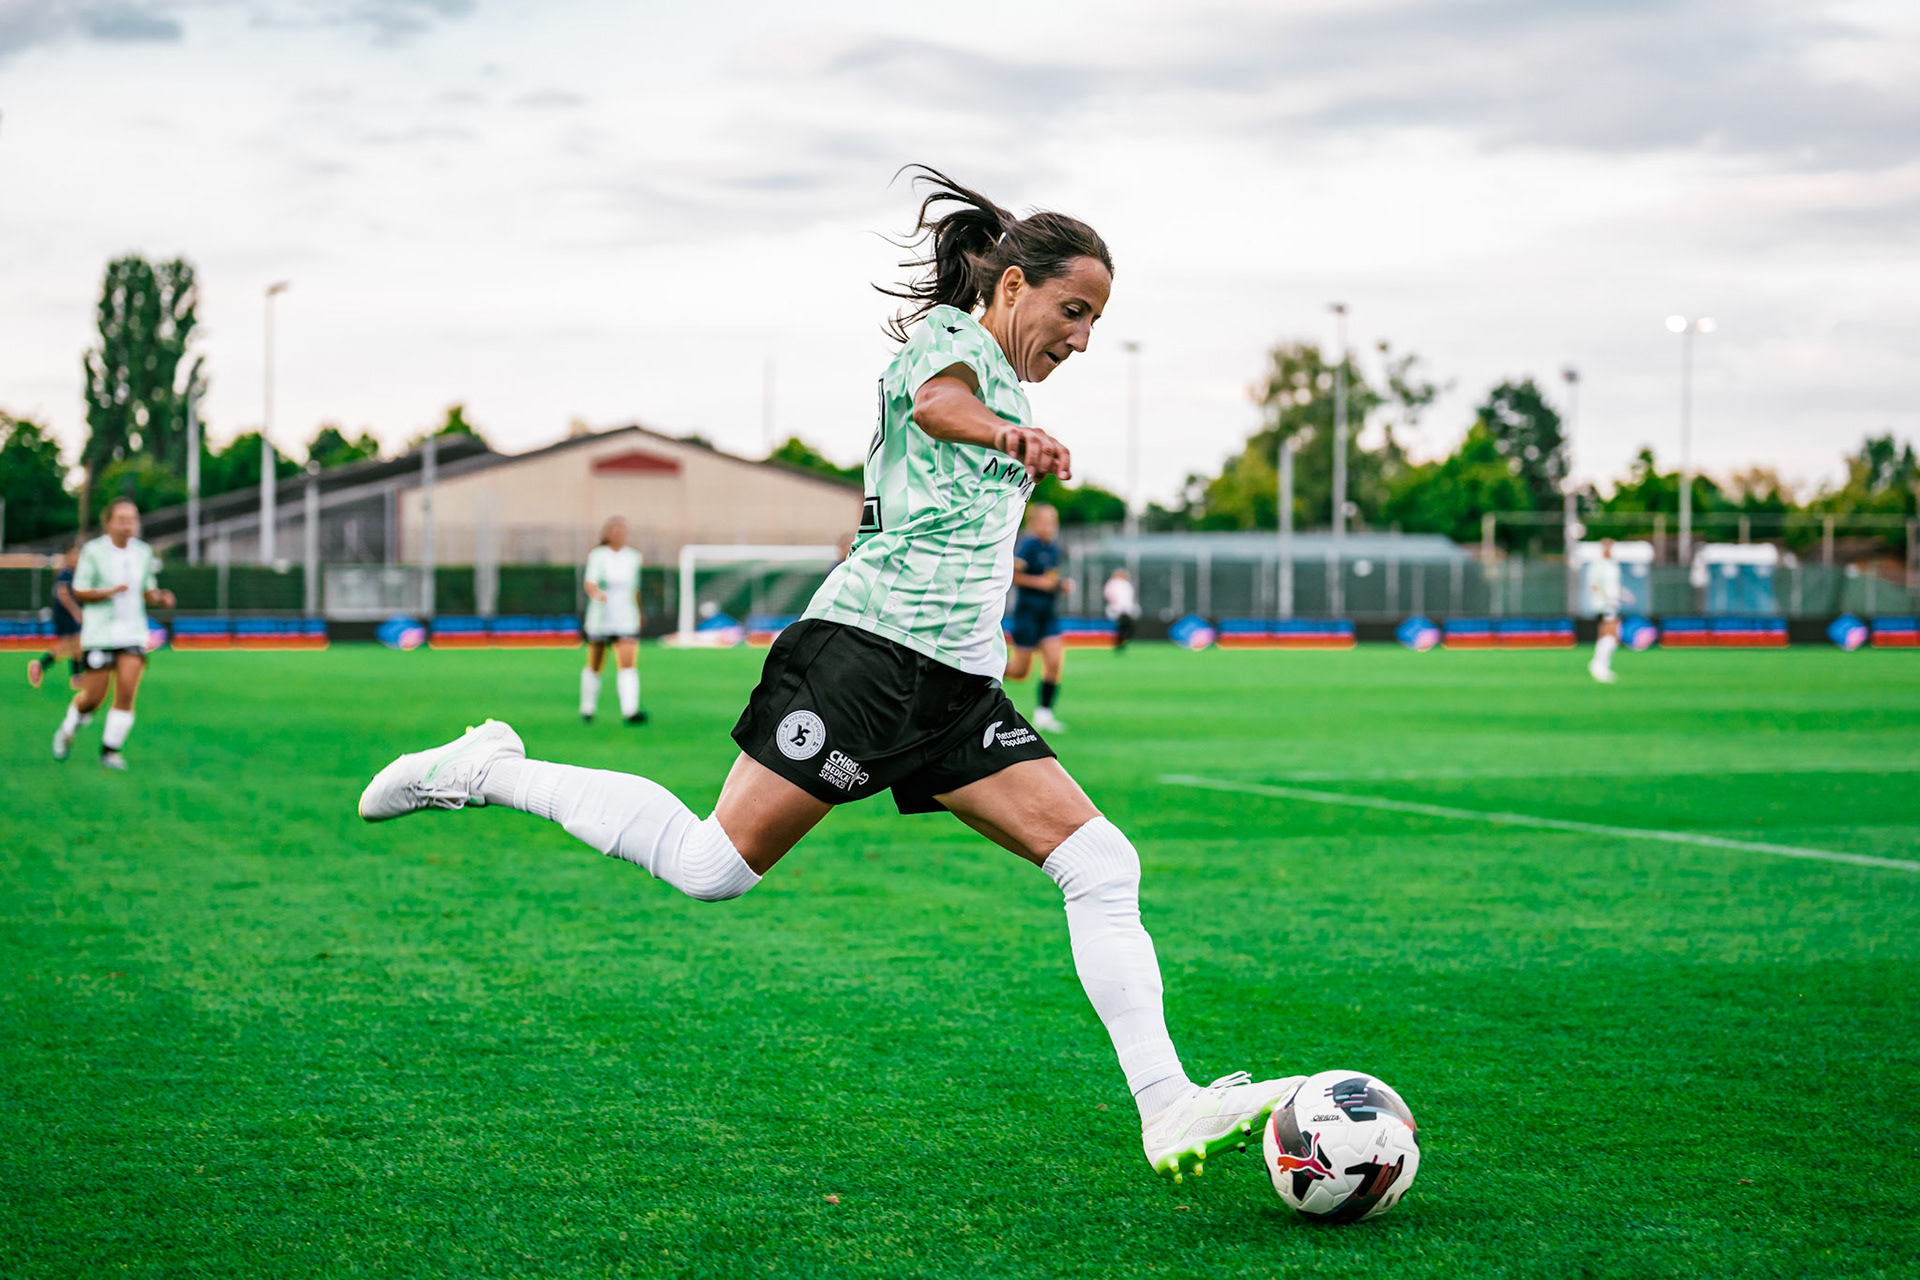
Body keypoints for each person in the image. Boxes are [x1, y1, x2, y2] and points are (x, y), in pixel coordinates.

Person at [357, 167, 1298, 1184]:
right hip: (868, 657)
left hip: (955, 689)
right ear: (1013, 286)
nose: (1082, 337)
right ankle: (489, 766)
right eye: (1074, 310)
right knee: (712, 864)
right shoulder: (954, 343)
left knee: (1104, 865)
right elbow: (939, 405)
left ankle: (1167, 1105)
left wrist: (1004, 429)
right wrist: (1007, 432)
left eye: (1097, 321)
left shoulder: (1013, 382)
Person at [53, 499, 175, 768]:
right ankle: (69, 728)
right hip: (100, 633)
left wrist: (160, 597)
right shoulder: (93, 552)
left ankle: (110, 750)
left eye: (131, 519)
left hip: (132, 632)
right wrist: (109, 592)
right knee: (93, 698)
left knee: (127, 691)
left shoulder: (143, 552)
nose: (127, 524)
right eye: (121, 519)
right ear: (108, 523)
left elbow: (147, 589)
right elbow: (80, 590)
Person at [1004, 503, 1069, 730]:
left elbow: (1050, 579)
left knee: (1054, 663)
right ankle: (980, 671)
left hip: (1048, 614)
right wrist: (1039, 583)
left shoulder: (1053, 548)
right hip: (1027, 614)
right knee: (1020, 672)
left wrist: (1061, 585)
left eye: (1054, 521)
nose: (1051, 526)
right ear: (1034, 522)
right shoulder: (1028, 545)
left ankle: (1044, 714)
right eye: (1046, 521)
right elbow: (1012, 575)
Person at [581, 517, 647, 725]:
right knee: (595, 662)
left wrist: (638, 611)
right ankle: (588, 708)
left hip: (625, 616)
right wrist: (597, 595)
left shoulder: (633, 557)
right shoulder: (598, 556)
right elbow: (590, 583)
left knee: (628, 662)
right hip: (602, 616)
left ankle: (630, 710)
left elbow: (635, 588)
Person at [27, 543, 82, 690]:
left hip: (66, 613)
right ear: (68, 555)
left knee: (75, 644)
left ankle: (76, 677)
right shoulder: (65, 573)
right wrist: (76, 611)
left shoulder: (70, 572)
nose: (77, 558)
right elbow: (63, 595)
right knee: (69, 644)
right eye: (75, 554)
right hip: (65, 614)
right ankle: (40, 666)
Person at [1587, 538, 1623, 684]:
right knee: (1610, 634)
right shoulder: (1598, 564)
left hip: (1613, 603)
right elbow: (1595, 585)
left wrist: (1623, 594)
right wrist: (1608, 598)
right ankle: (1599, 666)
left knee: (1610, 635)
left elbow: (1614, 584)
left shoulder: (1612, 564)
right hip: (1605, 604)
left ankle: (1601, 665)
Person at [1103, 567, 1139, 652]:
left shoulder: (1126, 585)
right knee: (1124, 626)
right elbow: (1109, 595)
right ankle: (1119, 643)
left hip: (1126, 610)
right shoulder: (1113, 583)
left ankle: (1120, 643)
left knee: (1126, 627)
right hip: (1118, 610)